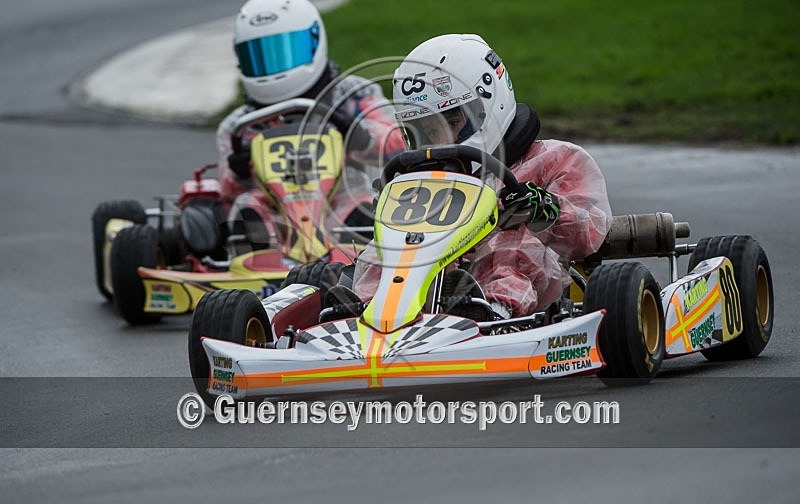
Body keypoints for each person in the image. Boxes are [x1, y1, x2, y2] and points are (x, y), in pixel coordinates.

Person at [344, 33, 613, 321]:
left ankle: (492, 312)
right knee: (387, 249)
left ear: (489, 101)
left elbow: (591, 231)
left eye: (451, 121)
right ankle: (365, 314)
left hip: (532, 297)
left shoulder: (555, 159)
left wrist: (544, 209)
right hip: (435, 287)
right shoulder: (422, 181)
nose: (439, 139)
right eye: (425, 129)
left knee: (512, 241)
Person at [216, 0, 404, 244]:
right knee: (247, 204)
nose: (275, 65)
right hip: (277, 213)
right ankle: (255, 259)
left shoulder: (351, 95)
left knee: (358, 199)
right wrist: (238, 171)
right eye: (261, 56)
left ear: (315, 41)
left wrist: (358, 134)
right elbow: (228, 192)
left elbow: (399, 144)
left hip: (341, 200)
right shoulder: (239, 125)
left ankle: (356, 256)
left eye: (285, 50)